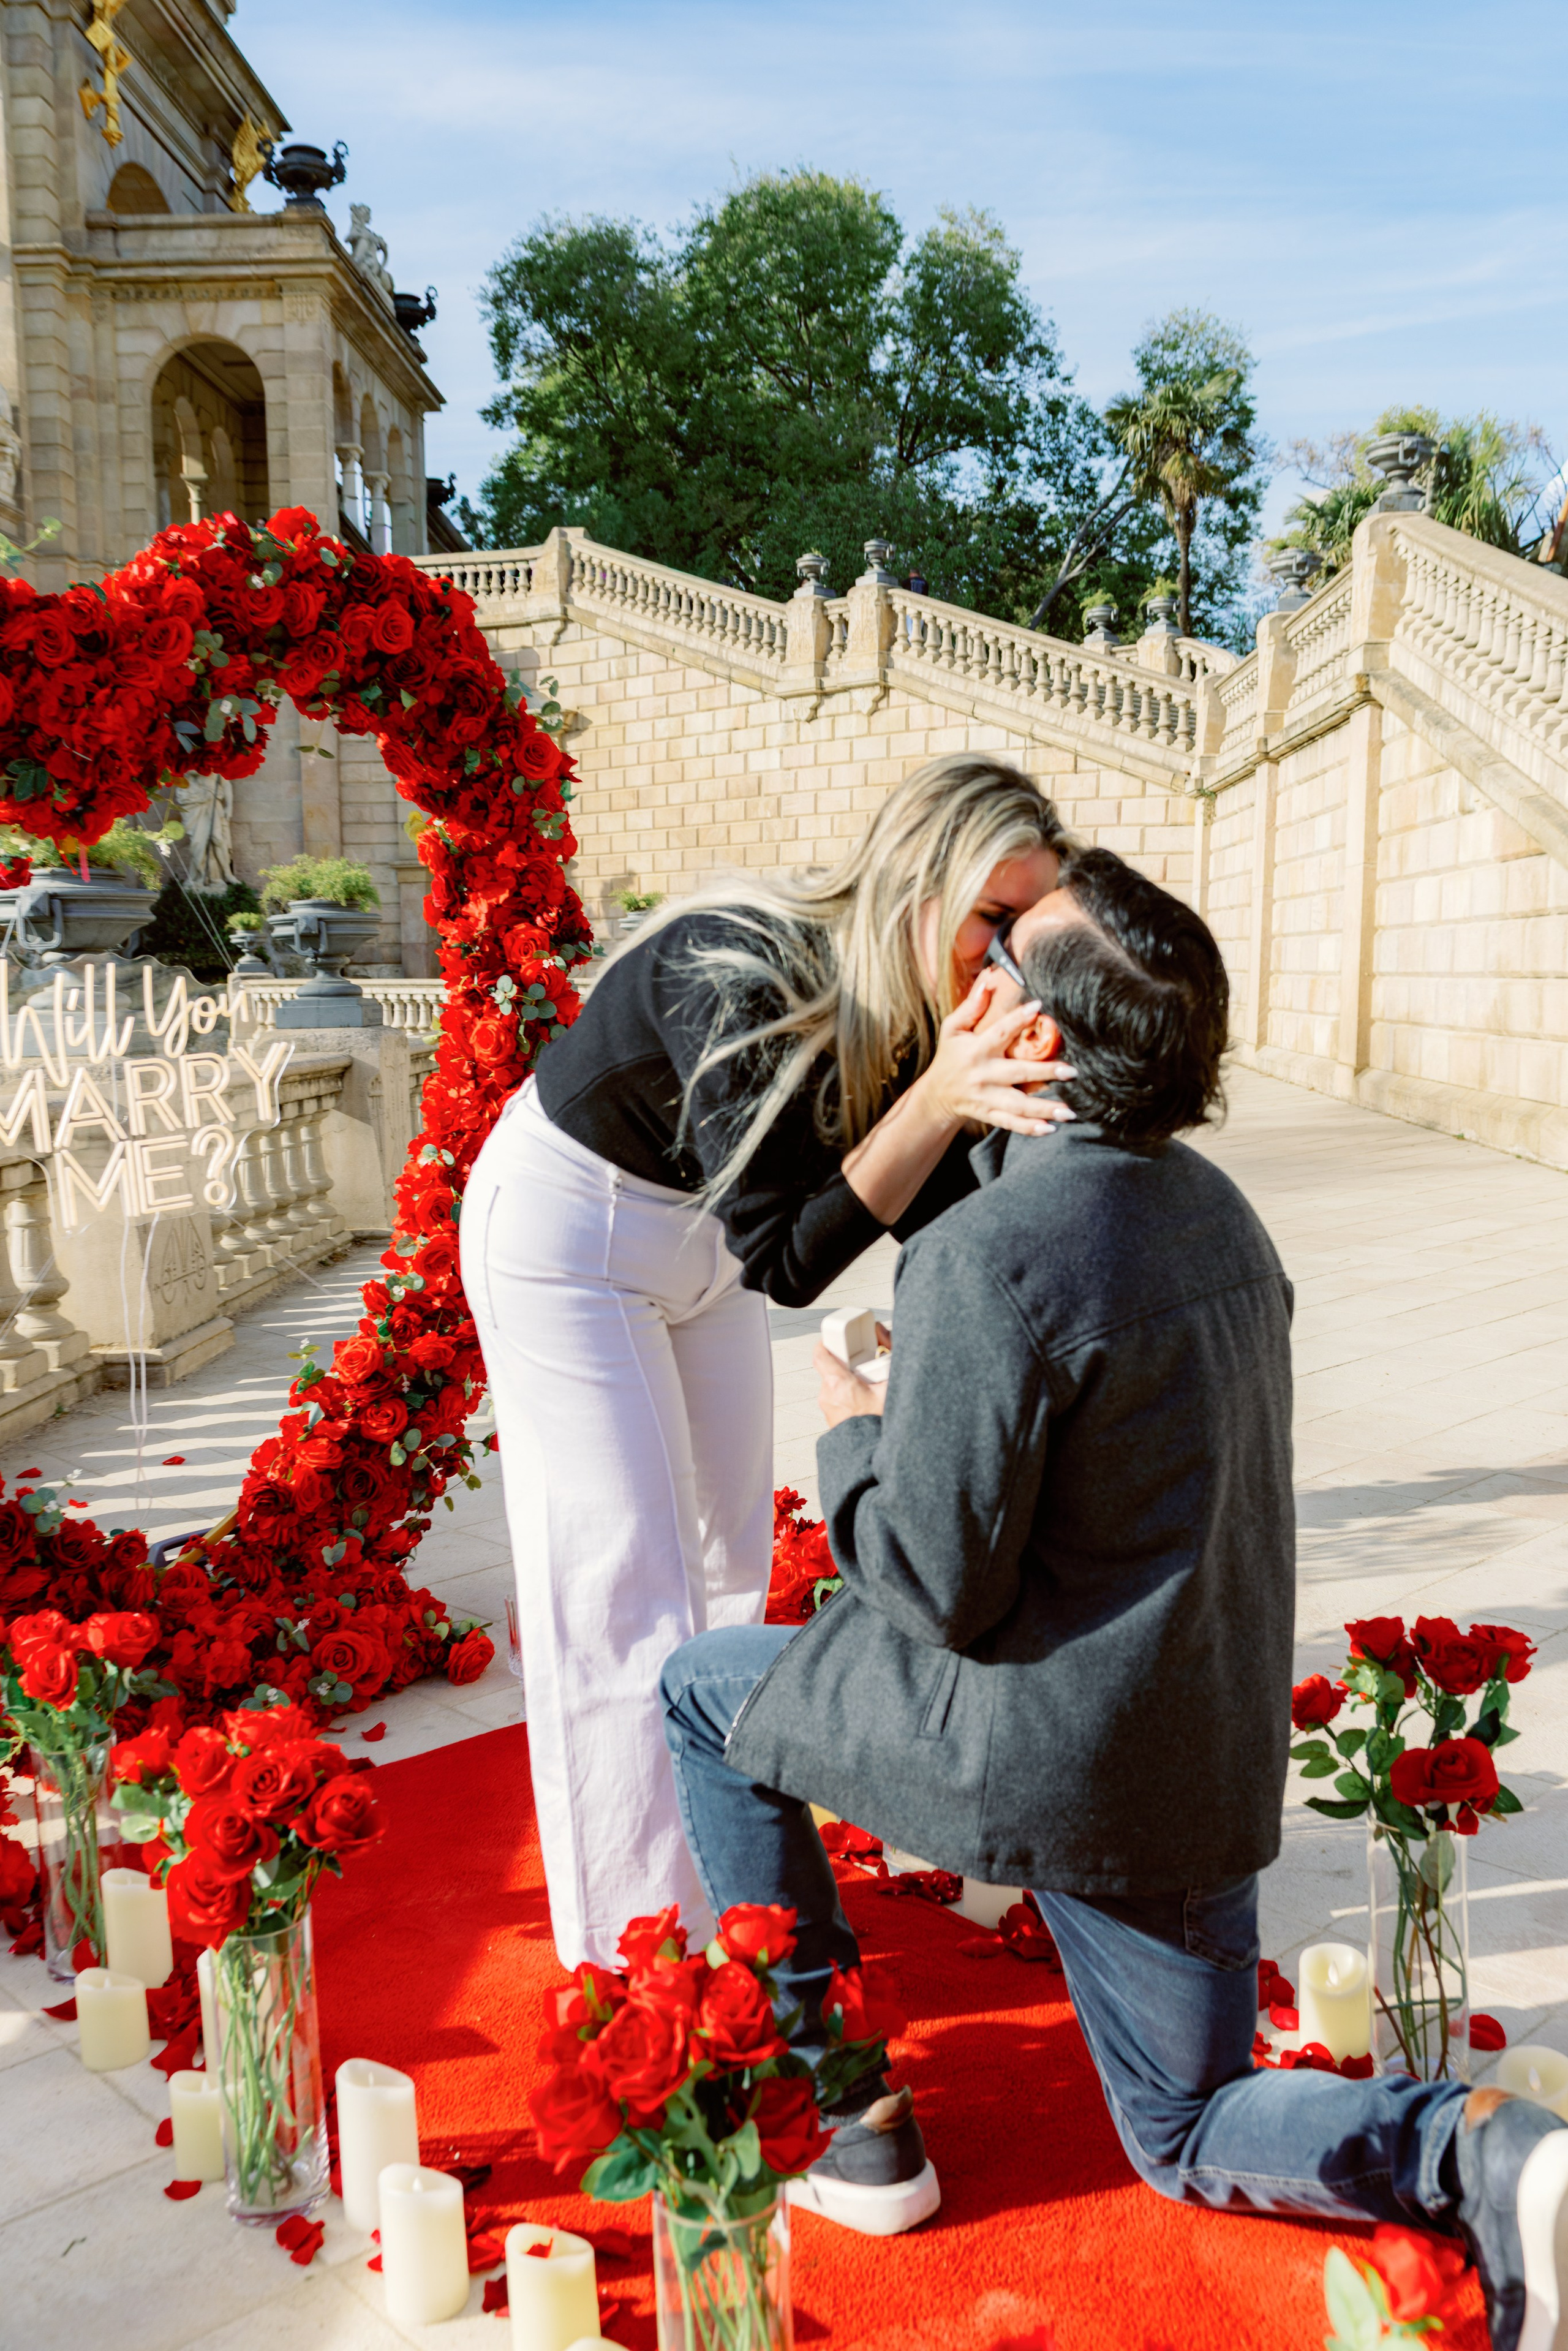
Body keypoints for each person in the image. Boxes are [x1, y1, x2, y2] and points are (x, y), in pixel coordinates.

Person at [657, 847, 1568, 2349]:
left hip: (1037, 1745)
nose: (972, 972)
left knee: (704, 1684)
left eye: (1000, 960)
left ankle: (842, 2110)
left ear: (1033, 1043)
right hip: (1193, 1754)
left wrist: (847, 1425)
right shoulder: (1216, 1212)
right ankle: (1484, 2154)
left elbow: (931, 1586)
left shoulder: (986, 1249)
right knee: (1190, 2123)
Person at [462, 754, 1075, 1969]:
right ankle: (639, 1957)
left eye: (1029, 930)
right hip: (571, 1229)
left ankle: (725, 1866)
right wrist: (942, 1098)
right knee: (621, 1585)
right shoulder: (733, 961)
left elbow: (946, 1217)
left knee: (724, 1557)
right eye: (992, 918)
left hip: (707, 1243)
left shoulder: (924, 999)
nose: (1005, 958)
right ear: (916, 881)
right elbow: (791, 1260)